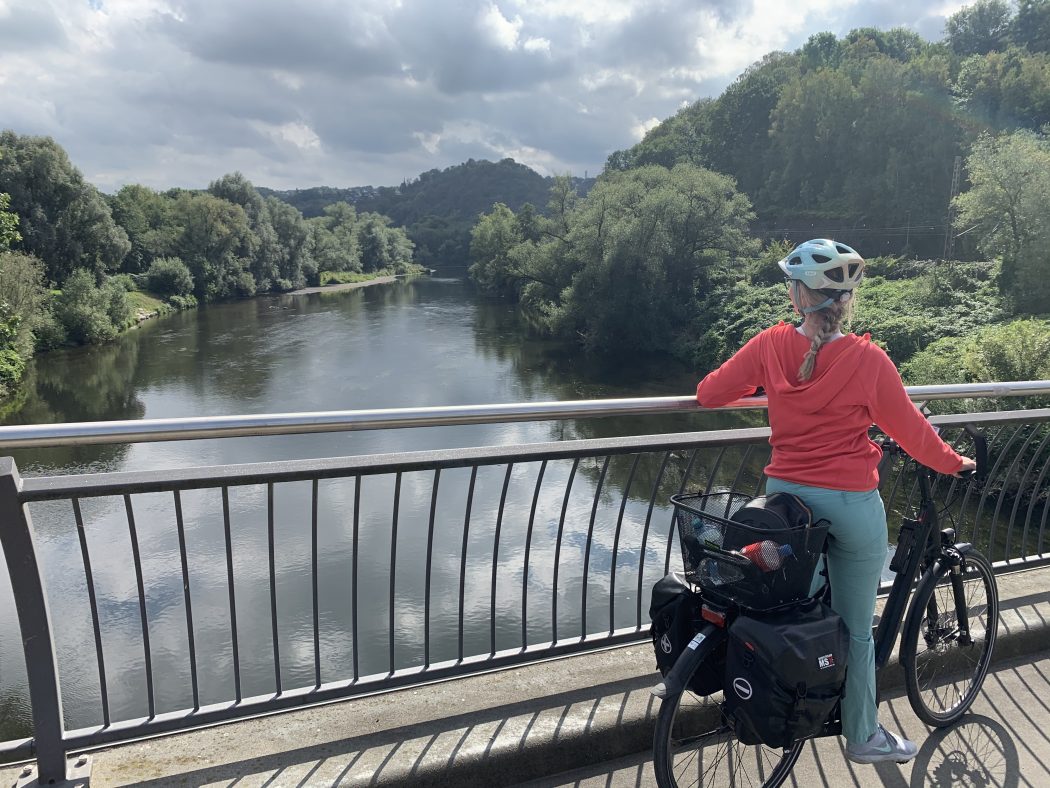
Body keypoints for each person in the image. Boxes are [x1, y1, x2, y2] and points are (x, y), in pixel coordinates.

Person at [695, 238, 976, 764]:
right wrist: (952, 461)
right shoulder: (869, 360)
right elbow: (913, 433)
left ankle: (801, 687)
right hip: (849, 507)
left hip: (785, 506)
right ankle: (863, 736)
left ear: (799, 296)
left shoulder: (768, 345)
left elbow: (709, 393)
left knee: (797, 601)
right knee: (855, 628)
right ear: (844, 301)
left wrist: (769, 389)